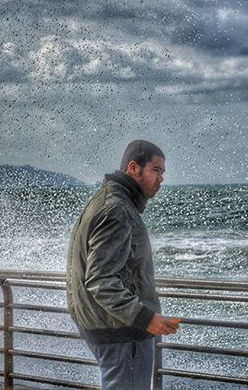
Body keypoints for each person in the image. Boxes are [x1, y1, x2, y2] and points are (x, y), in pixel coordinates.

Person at [66, 140, 180, 389]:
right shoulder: (117, 210)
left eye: (162, 173)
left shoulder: (105, 200)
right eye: (155, 170)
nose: (161, 179)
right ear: (133, 168)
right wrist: (145, 317)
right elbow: (100, 280)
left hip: (103, 324)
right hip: (121, 330)